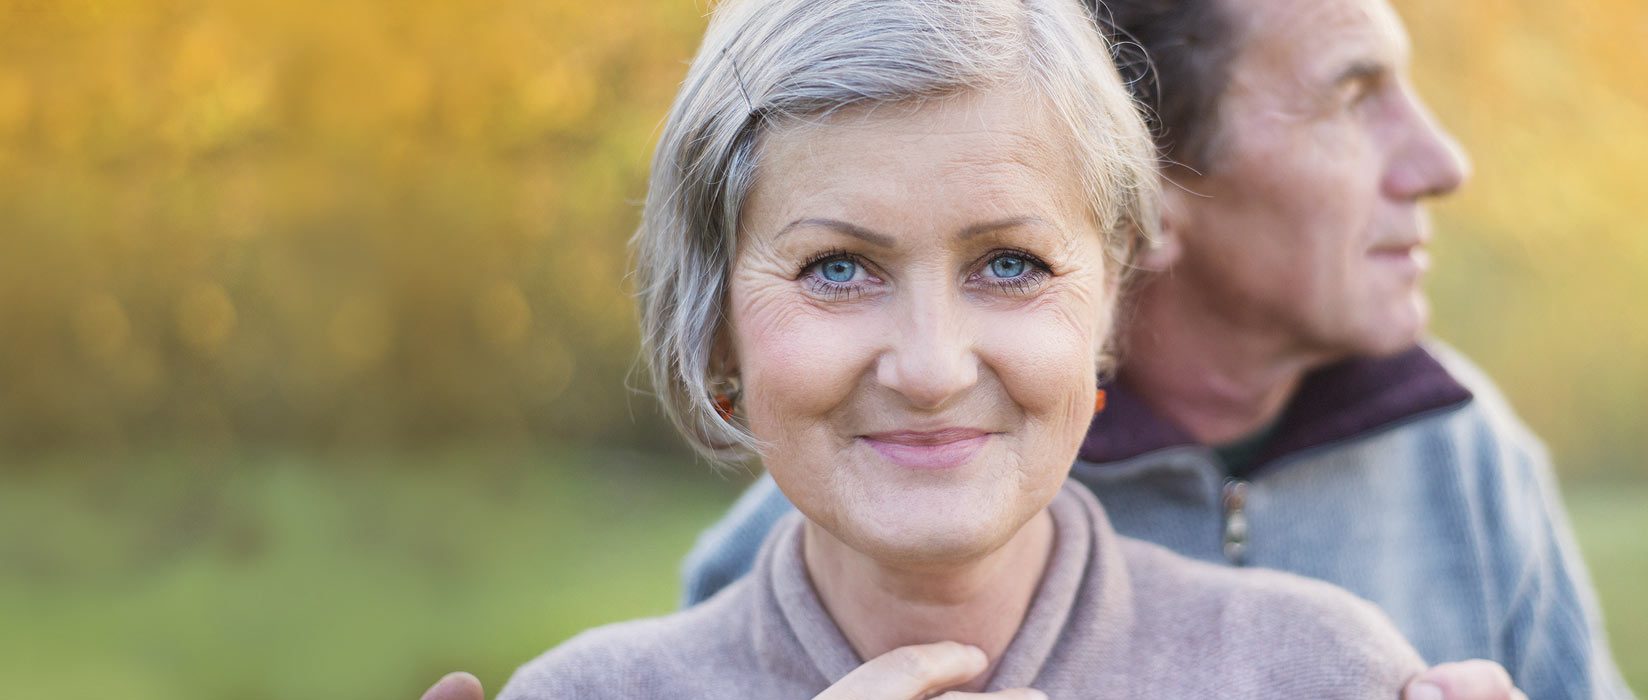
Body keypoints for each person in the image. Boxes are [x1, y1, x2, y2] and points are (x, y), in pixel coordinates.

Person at [672, 0, 1637, 698]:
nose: (1442, 161)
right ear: (1154, 185)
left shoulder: (1461, 451)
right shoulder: (868, 498)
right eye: (1352, 95)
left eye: (1006, 264)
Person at [484, 0, 1439, 696]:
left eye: (1012, 265)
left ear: (1107, 303)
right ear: (717, 323)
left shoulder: (1321, 672)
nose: (934, 369)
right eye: (839, 269)